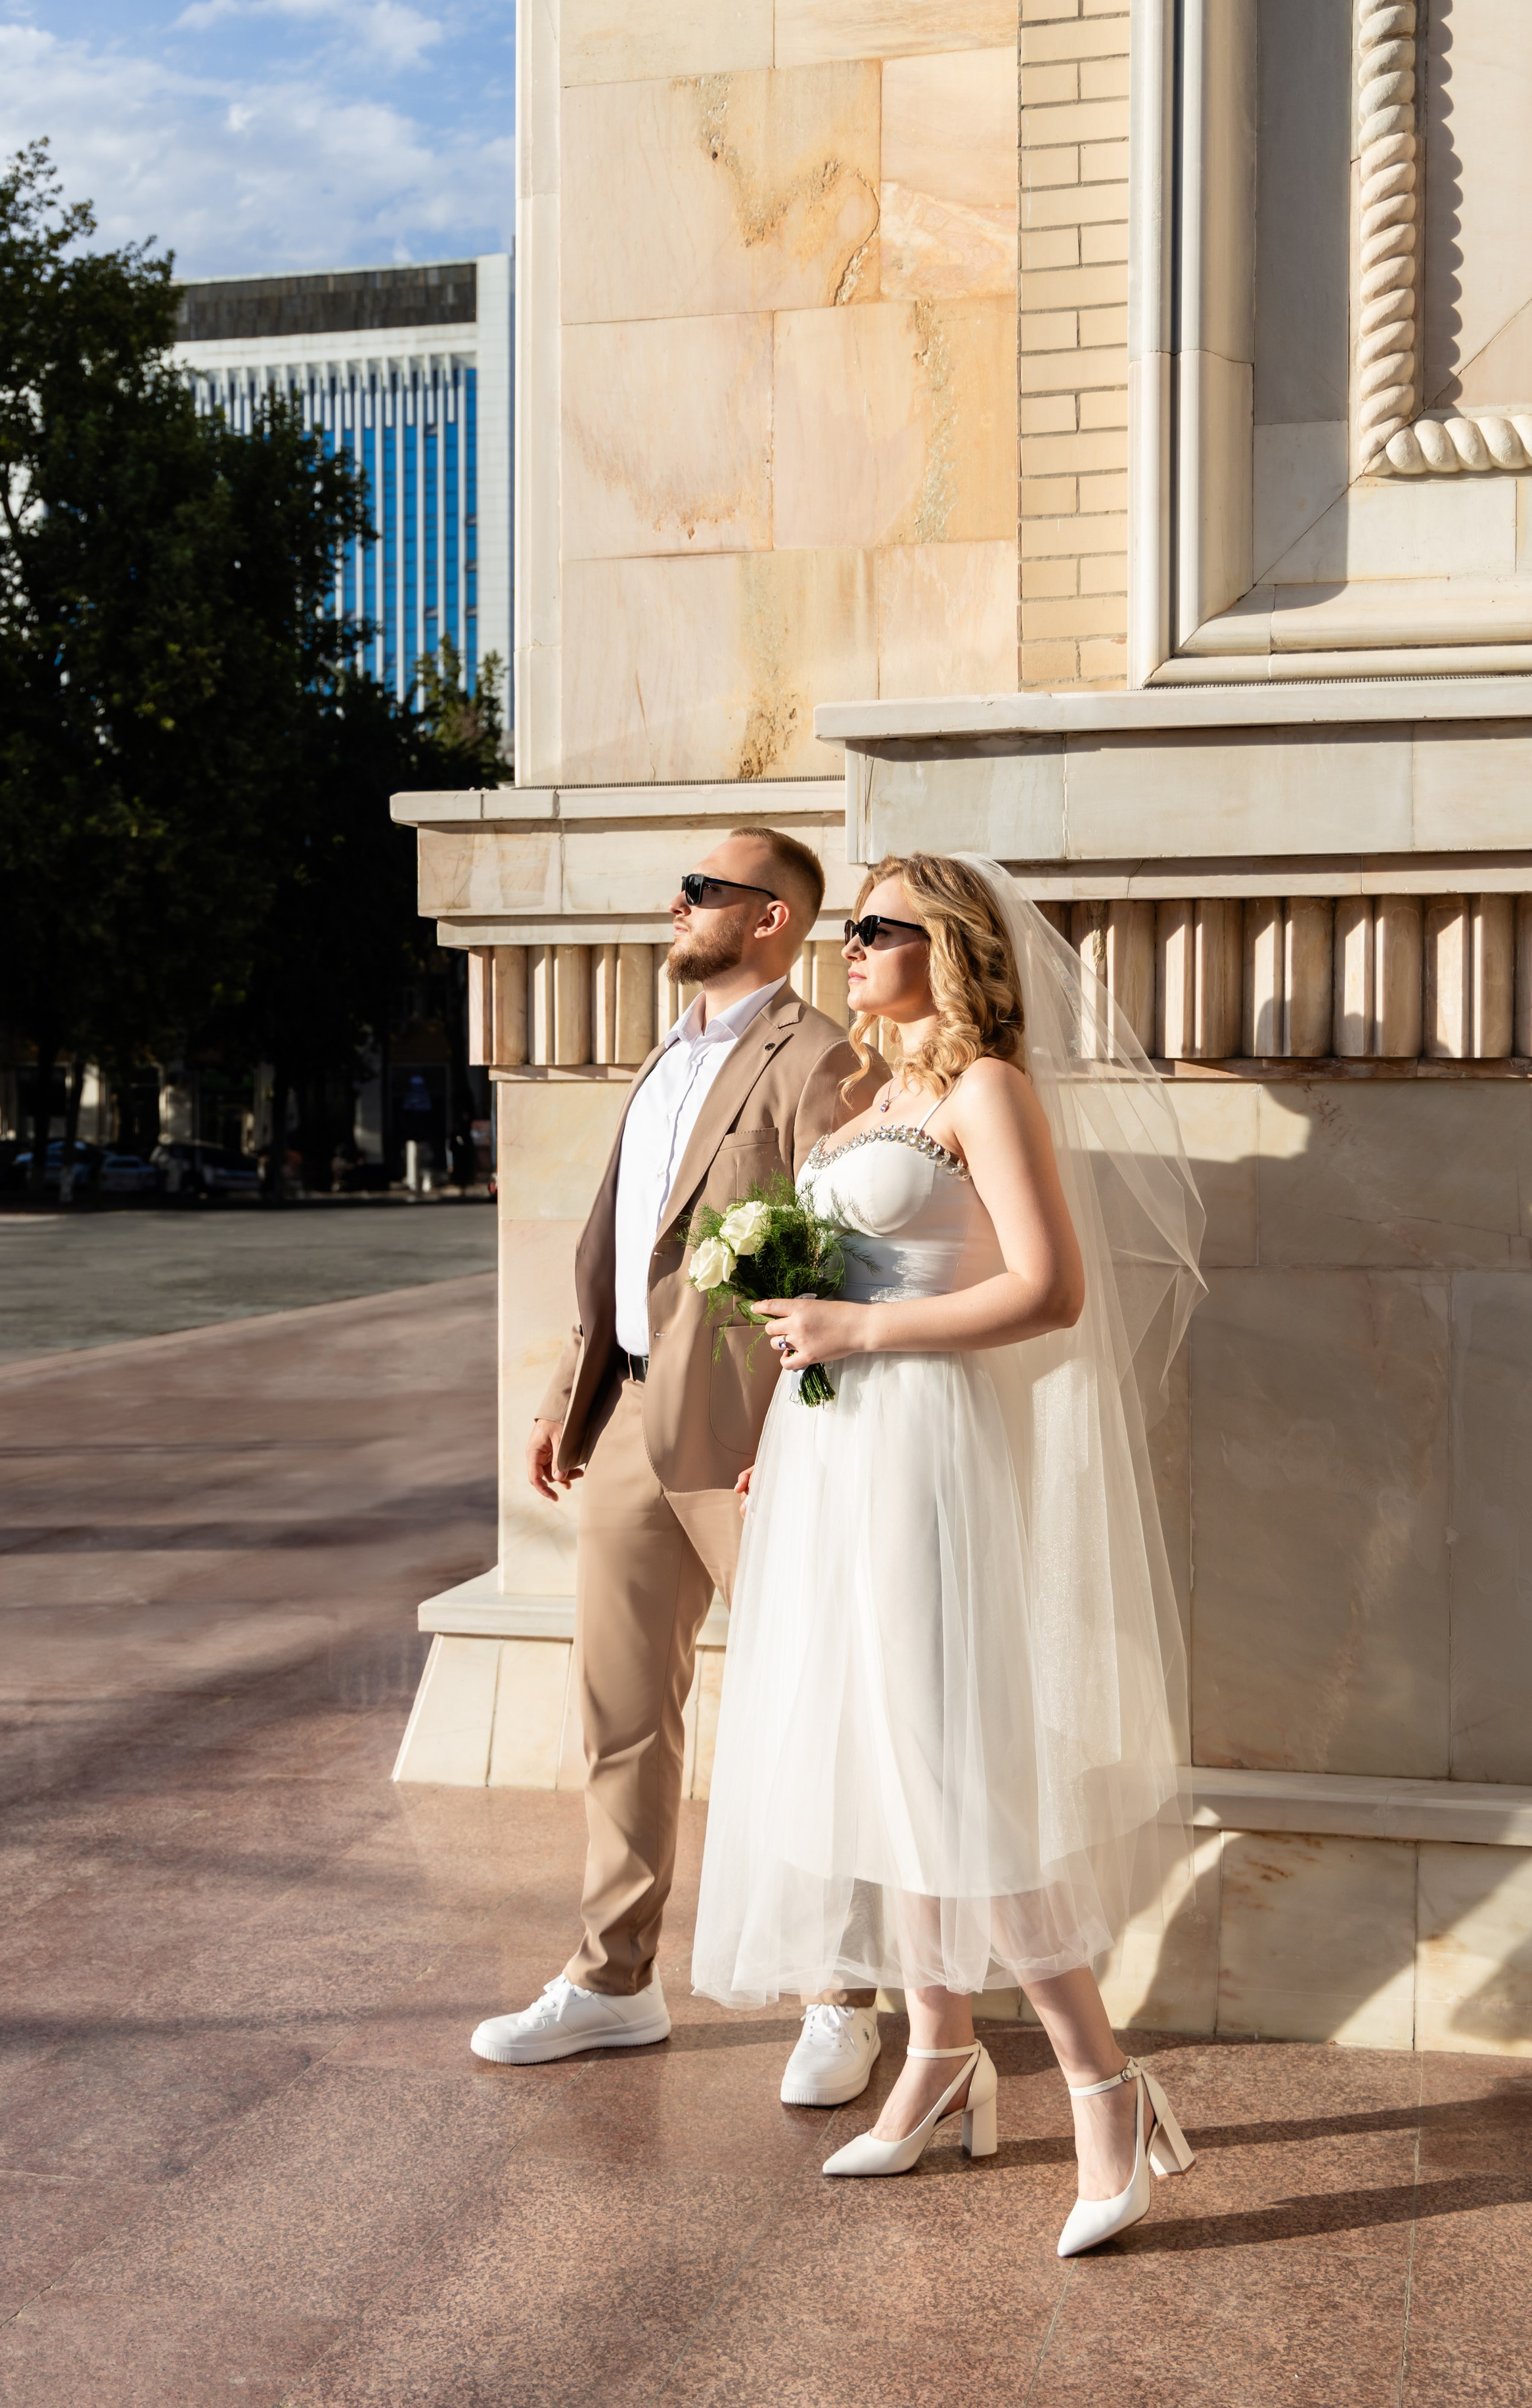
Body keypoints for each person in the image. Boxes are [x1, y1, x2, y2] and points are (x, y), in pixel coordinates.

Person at [692, 852, 1207, 2256]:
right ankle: (934, 2055)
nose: (845, 946)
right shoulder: (876, 1093)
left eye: (874, 927)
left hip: (921, 1451)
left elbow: (1048, 1290)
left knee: (945, 1763)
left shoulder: (986, 1091)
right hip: (832, 1450)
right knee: (874, 1757)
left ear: (950, 949)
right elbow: (849, 1279)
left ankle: (1104, 2092)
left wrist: (857, 1335)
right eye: (848, 924)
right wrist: (790, 1412)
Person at [470, 828, 893, 2106]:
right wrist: (567, 1395)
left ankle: (840, 1993)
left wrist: (799, 1427)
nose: (677, 904)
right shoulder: (671, 1054)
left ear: (770, 919)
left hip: (754, 1443)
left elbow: (848, 1254)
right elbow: (628, 1246)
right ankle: (612, 1983)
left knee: (811, 1713)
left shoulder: (817, 1058)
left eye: (703, 892)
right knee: (617, 1713)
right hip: (628, 1427)